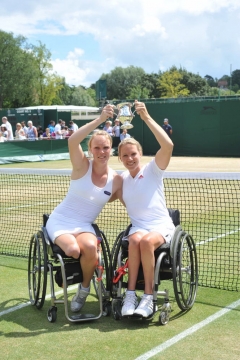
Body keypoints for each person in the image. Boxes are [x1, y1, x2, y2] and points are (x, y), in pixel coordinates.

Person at [46, 104, 123, 313]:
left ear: (111, 149)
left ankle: (84, 289)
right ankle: (73, 276)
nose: (101, 152)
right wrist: (100, 120)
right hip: (61, 221)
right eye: (97, 148)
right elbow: (72, 140)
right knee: (72, 250)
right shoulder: (81, 165)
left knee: (89, 248)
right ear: (90, 149)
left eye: (105, 147)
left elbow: (126, 200)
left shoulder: (116, 179)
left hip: (84, 225)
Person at [118, 100, 175, 318]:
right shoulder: (122, 179)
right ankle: (130, 294)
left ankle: (148, 297)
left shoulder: (152, 170)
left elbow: (168, 146)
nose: (130, 158)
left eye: (133, 154)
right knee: (134, 240)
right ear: (120, 158)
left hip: (160, 226)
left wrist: (146, 117)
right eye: (125, 155)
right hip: (138, 227)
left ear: (140, 154)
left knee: (145, 241)